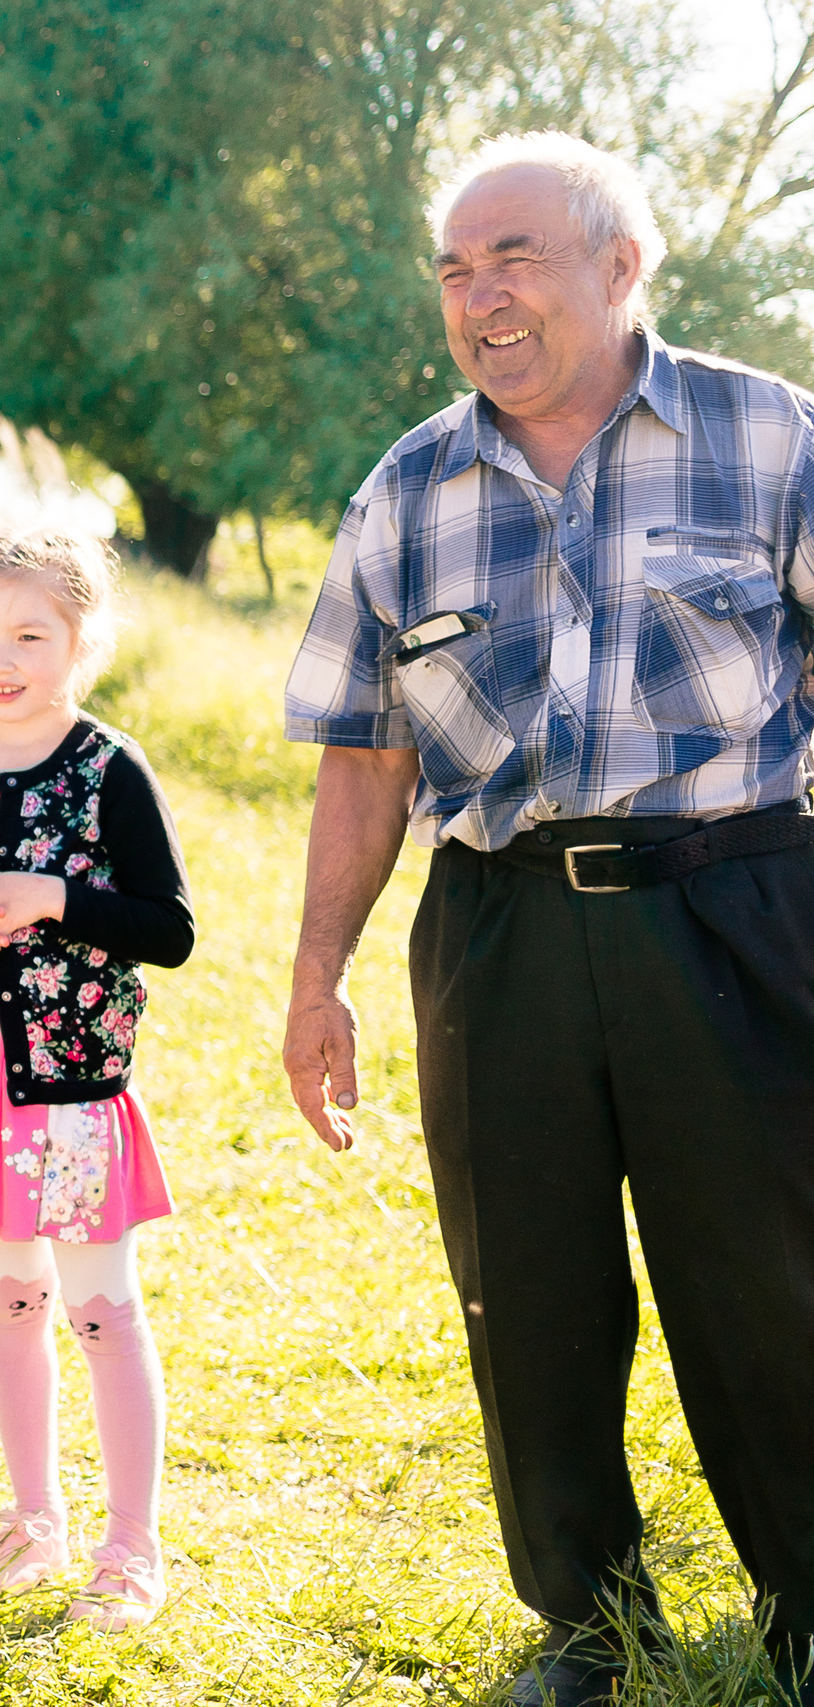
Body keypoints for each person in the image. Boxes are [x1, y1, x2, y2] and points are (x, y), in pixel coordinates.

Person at [280, 132, 814, 1707]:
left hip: (741, 907)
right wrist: (319, 973)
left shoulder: (773, 435)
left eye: (514, 256)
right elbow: (365, 755)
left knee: (771, 1274)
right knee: (527, 1283)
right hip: (500, 927)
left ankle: (811, 1602)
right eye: (454, 269)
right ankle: (589, 1621)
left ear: (619, 264)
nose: (480, 296)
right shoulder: (409, 486)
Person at [0, 529, 194, 1631]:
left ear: (80, 641)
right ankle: (33, 1519)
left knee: (101, 1308)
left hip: (66, 1090)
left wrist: (50, 898)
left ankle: (131, 1545)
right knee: (9, 1298)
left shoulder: (108, 768)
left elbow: (168, 929)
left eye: (29, 634)